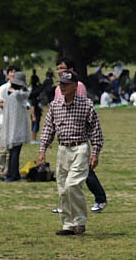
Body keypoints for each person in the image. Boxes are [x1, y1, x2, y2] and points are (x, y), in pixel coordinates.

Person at [38, 69, 104, 236]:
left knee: (72, 185)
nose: (63, 87)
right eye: (61, 84)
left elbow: (96, 130)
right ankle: (67, 224)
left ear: (75, 86)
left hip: (80, 148)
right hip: (62, 149)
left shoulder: (86, 104)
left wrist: (95, 152)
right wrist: (42, 150)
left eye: (67, 84)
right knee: (62, 188)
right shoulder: (55, 106)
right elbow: (48, 129)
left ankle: (80, 221)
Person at [0, 71, 35, 181]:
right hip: (16, 128)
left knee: (12, 151)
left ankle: (11, 174)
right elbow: (29, 94)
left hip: (9, 126)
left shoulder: (8, 93)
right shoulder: (18, 95)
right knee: (15, 153)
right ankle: (13, 175)